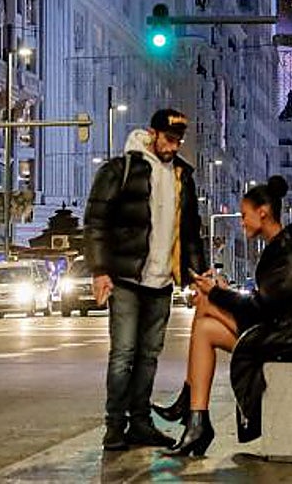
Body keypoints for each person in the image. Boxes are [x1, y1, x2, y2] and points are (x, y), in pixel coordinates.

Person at [153, 176, 292, 456]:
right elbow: (268, 303)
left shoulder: (288, 251)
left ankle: (193, 412)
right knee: (204, 322)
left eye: (244, 215)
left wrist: (217, 293)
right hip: (289, 329)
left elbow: (262, 306)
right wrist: (220, 292)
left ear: (263, 212)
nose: (242, 222)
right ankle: (195, 415)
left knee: (205, 309)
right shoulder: (285, 246)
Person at [84, 109, 206, 452]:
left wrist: (197, 276)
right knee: (124, 353)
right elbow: (95, 221)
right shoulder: (121, 169)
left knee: (149, 355)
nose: (173, 146)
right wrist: (100, 271)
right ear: (152, 133)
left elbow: (191, 232)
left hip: (162, 282)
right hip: (126, 277)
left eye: (178, 140)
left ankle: (140, 422)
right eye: (169, 138)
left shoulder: (183, 175)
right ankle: (114, 427)